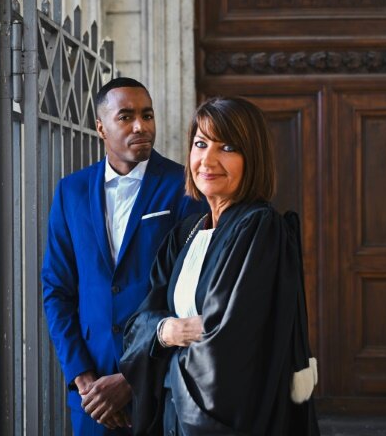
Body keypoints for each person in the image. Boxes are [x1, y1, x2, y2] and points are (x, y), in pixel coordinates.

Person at [120, 97, 320, 435]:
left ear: (251, 158)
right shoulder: (186, 233)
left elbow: (228, 346)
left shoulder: (260, 229)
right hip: (173, 417)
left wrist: (165, 346)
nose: (207, 160)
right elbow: (137, 326)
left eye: (227, 147)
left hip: (219, 422)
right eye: (200, 144)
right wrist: (167, 331)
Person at [42, 77, 208, 435]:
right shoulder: (71, 191)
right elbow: (57, 289)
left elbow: (191, 294)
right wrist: (84, 380)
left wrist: (132, 379)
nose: (141, 126)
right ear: (101, 127)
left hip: (161, 385)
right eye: (126, 117)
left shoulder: (185, 187)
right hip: (93, 392)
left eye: (147, 116)